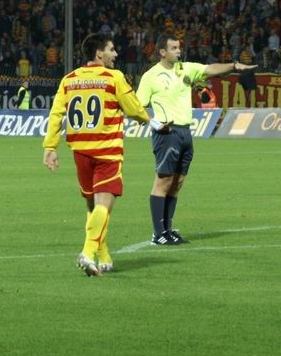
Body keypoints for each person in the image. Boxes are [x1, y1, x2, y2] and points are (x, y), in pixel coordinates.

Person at [43, 34, 159, 276]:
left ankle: (104, 256)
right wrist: (147, 119)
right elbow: (134, 108)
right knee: (104, 205)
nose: (115, 54)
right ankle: (87, 252)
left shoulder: (69, 79)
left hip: (80, 153)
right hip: (106, 152)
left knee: (93, 207)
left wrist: (50, 147)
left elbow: (56, 115)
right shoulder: (113, 77)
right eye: (111, 49)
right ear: (99, 53)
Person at [136, 35, 257, 245]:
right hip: (167, 133)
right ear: (162, 52)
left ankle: (168, 229)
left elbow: (211, 69)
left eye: (179, 47)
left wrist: (234, 66)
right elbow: (137, 106)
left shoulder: (186, 69)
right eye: (174, 48)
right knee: (163, 182)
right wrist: (155, 124)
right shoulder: (151, 76)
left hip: (185, 132)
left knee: (177, 183)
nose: (178, 51)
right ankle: (158, 233)